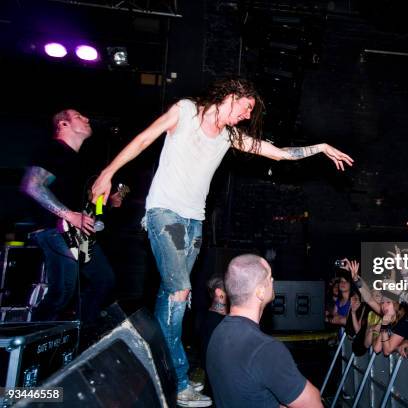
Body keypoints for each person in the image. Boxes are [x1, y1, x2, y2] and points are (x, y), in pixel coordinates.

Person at [90, 77, 353, 406]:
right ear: (233, 95)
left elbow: (280, 155)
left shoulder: (230, 137)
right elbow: (144, 140)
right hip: (165, 215)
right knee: (179, 291)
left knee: (171, 296)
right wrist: (107, 172)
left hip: (193, 223)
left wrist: (321, 147)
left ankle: (158, 364)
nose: (247, 115)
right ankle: (180, 380)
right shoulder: (185, 112)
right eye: (247, 107)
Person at [21, 109, 118, 324]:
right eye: (79, 117)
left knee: (103, 281)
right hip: (55, 229)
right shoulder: (53, 149)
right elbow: (32, 185)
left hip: (76, 232)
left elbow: (90, 208)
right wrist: (68, 215)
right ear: (63, 124)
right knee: (63, 291)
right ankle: (33, 343)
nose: (87, 118)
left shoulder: (81, 162)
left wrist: (107, 203)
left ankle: (81, 337)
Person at [206, 254, 322, 408]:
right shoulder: (265, 349)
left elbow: (249, 394)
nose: (273, 281)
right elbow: (313, 404)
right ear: (260, 292)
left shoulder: (218, 332)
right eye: (269, 278)